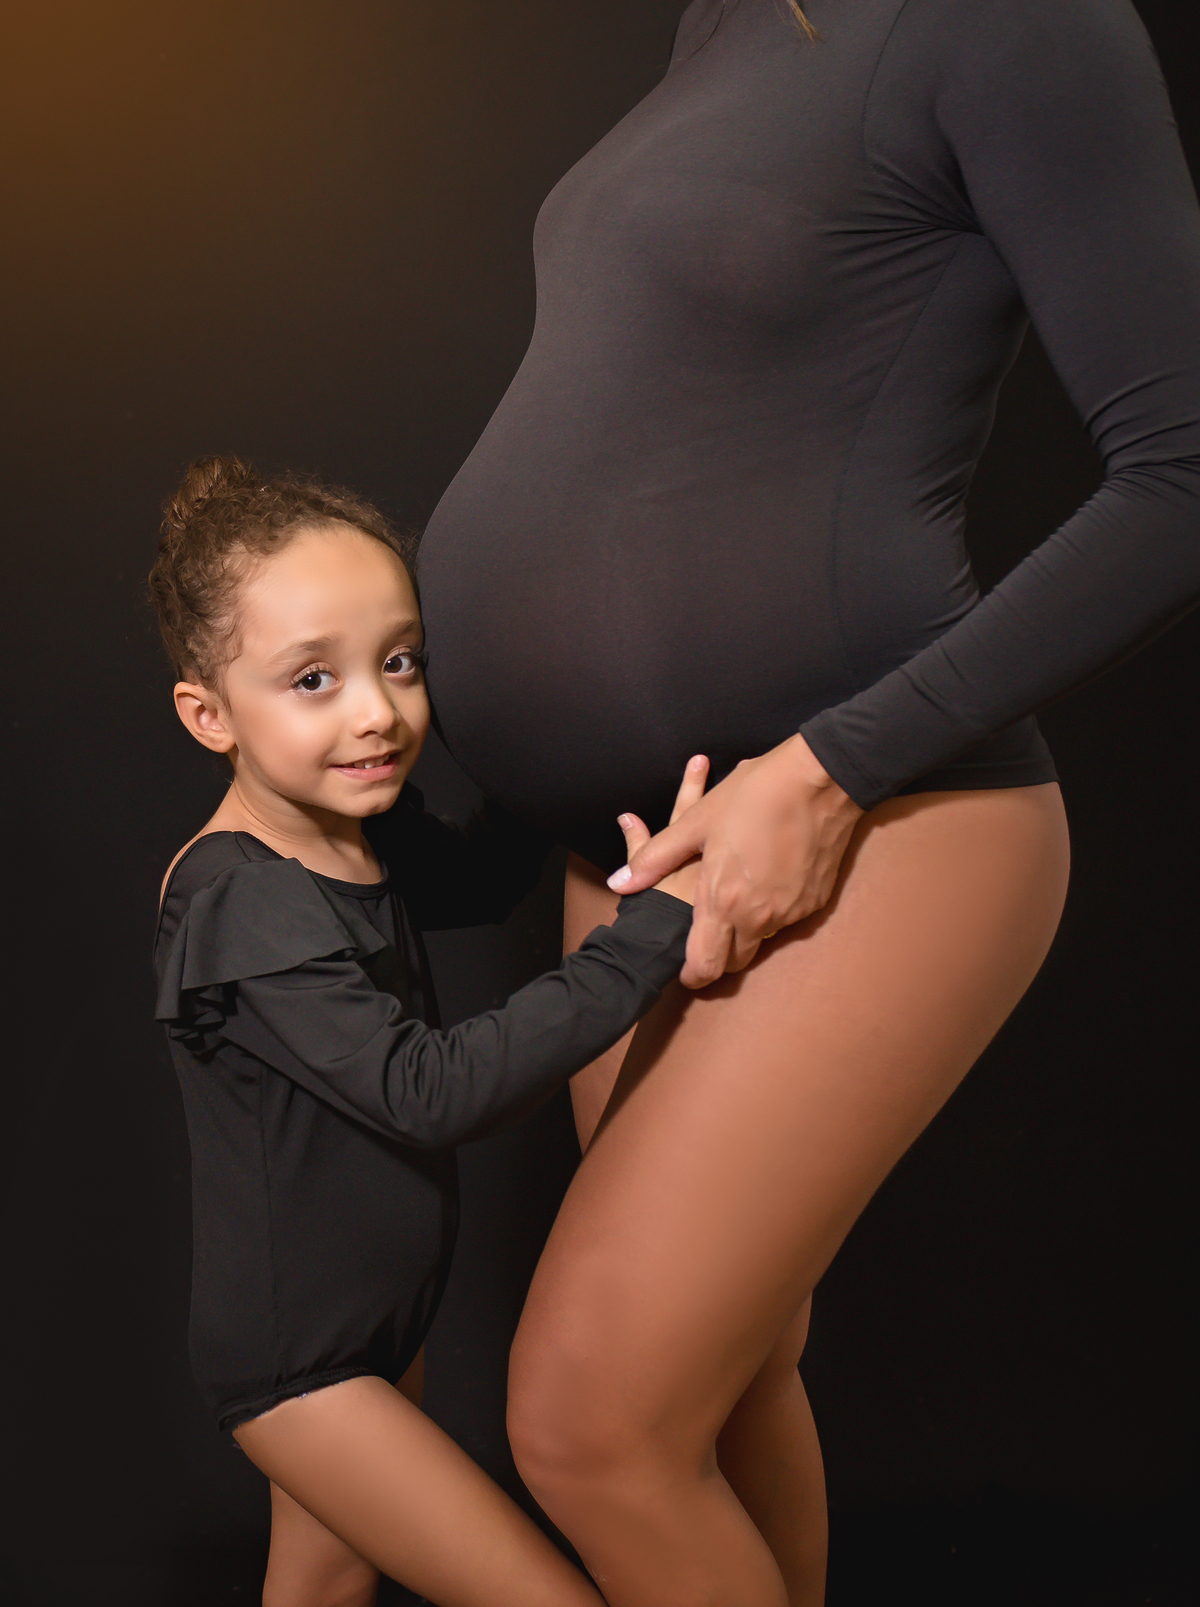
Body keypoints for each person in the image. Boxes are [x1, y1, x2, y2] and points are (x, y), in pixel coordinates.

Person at [415, 1, 1200, 1601]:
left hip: (877, 808)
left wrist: (838, 764)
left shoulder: (1020, 18)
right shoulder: (727, 19)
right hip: (634, 847)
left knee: (593, 1422)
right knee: (715, 1395)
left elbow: (1185, 466)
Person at [149, 456, 704, 1607]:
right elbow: (427, 1089)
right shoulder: (238, 898)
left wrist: (567, 741)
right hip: (300, 1363)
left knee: (320, 1588)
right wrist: (655, 932)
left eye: (399, 661)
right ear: (210, 714)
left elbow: (488, 875)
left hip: (372, 1329)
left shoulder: (358, 826)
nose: (378, 712)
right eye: (314, 679)